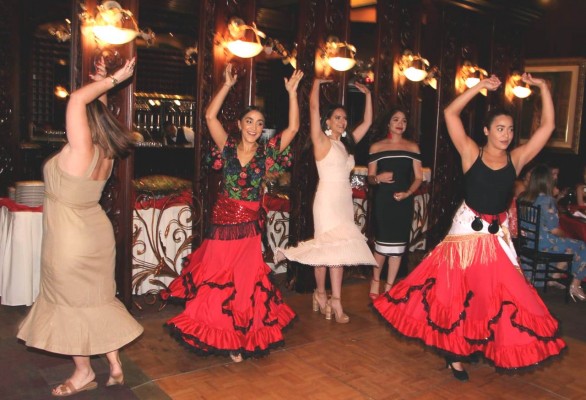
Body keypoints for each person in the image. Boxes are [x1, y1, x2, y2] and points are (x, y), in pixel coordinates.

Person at [373, 73, 566, 380]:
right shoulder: (470, 153)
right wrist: (477, 87)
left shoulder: (516, 159)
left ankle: (475, 344)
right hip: (465, 234)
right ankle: (455, 355)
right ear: (487, 131)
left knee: (495, 295)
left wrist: (544, 87)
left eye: (510, 130)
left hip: (495, 237)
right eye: (499, 129)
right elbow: (450, 113)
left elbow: (548, 128)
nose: (505, 134)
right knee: (457, 295)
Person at [17, 57, 144, 396]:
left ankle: (84, 371)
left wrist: (113, 79)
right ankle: (115, 365)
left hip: (69, 239)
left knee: (71, 305)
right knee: (98, 300)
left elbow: (76, 100)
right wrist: (105, 83)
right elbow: (90, 109)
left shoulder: (80, 148)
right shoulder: (104, 148)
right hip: (97, 233)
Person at [160, 64, 303, 362]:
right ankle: (216, 332)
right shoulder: (226, 147)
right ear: (239, 124)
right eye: (249, 121)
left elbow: (293, 129)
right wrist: (225, 85)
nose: (254, 127)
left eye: (259, 123)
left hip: (248, 231)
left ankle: (238, 338)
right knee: (214, 281)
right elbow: (210, 116)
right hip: (222, 226)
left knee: (243, 285)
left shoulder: (266, 153)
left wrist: (292, 94)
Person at [275, 78, 377, 323]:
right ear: (328, 122)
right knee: (325, 250)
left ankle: (336, 300)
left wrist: (368, 95)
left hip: (343, 202)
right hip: (326, 202)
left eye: (344, 118)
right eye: (337, 118)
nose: (342, 121)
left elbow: (369, 122)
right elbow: (312, 109)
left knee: (339, 252)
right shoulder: (322, 142)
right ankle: (321, 294)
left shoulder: (346, 144)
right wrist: (317, 84)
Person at [367, 106, 423, 300]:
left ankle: (390, 286)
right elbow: (370, 178)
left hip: (404, 201)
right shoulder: (376, 147)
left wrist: (408, 193)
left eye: (404, 121)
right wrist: (378, 178)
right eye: (396, 120)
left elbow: (418, 178)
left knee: (398, 248)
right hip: (384, 200)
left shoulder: (413, 147)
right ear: (388, 123)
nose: (400, 124)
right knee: (382, 245)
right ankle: (375, 280)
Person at [519, 163, 586, 300]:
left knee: (569, 245)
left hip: (529, 243)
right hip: (545, 245)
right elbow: (554, 230)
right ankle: (576, 284)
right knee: (581, 245)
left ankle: (553, 277)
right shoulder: (547, 200)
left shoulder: (524, 197)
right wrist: (565, 234)